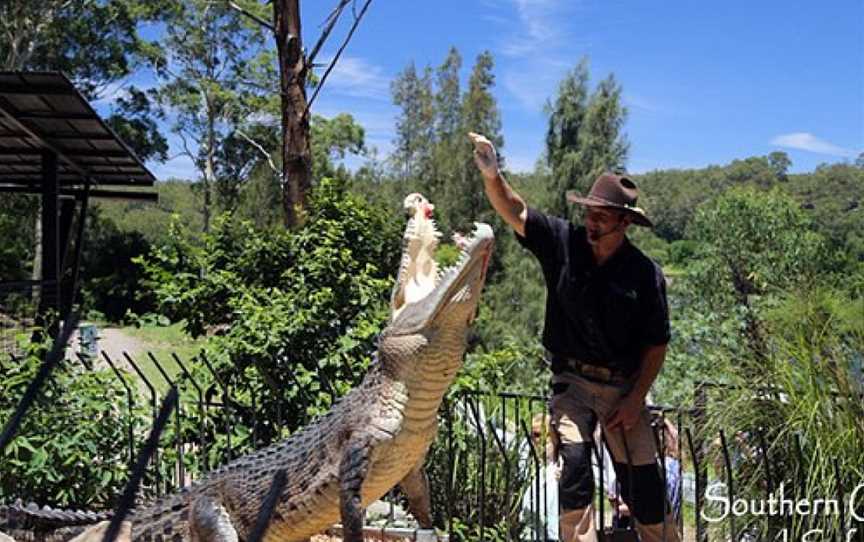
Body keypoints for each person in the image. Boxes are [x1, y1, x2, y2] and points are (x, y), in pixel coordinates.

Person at [469, 132, 680, 542]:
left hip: (623, 388)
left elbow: (657, 343)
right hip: (573, 385)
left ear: (624, 222)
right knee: (576, 471)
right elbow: (517, 212)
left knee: (646, 489)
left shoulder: (644, 274)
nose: (591, 222)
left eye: (602, 216)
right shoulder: (564, 242)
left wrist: (636, 400)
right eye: (589, 212)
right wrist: (493, 175)